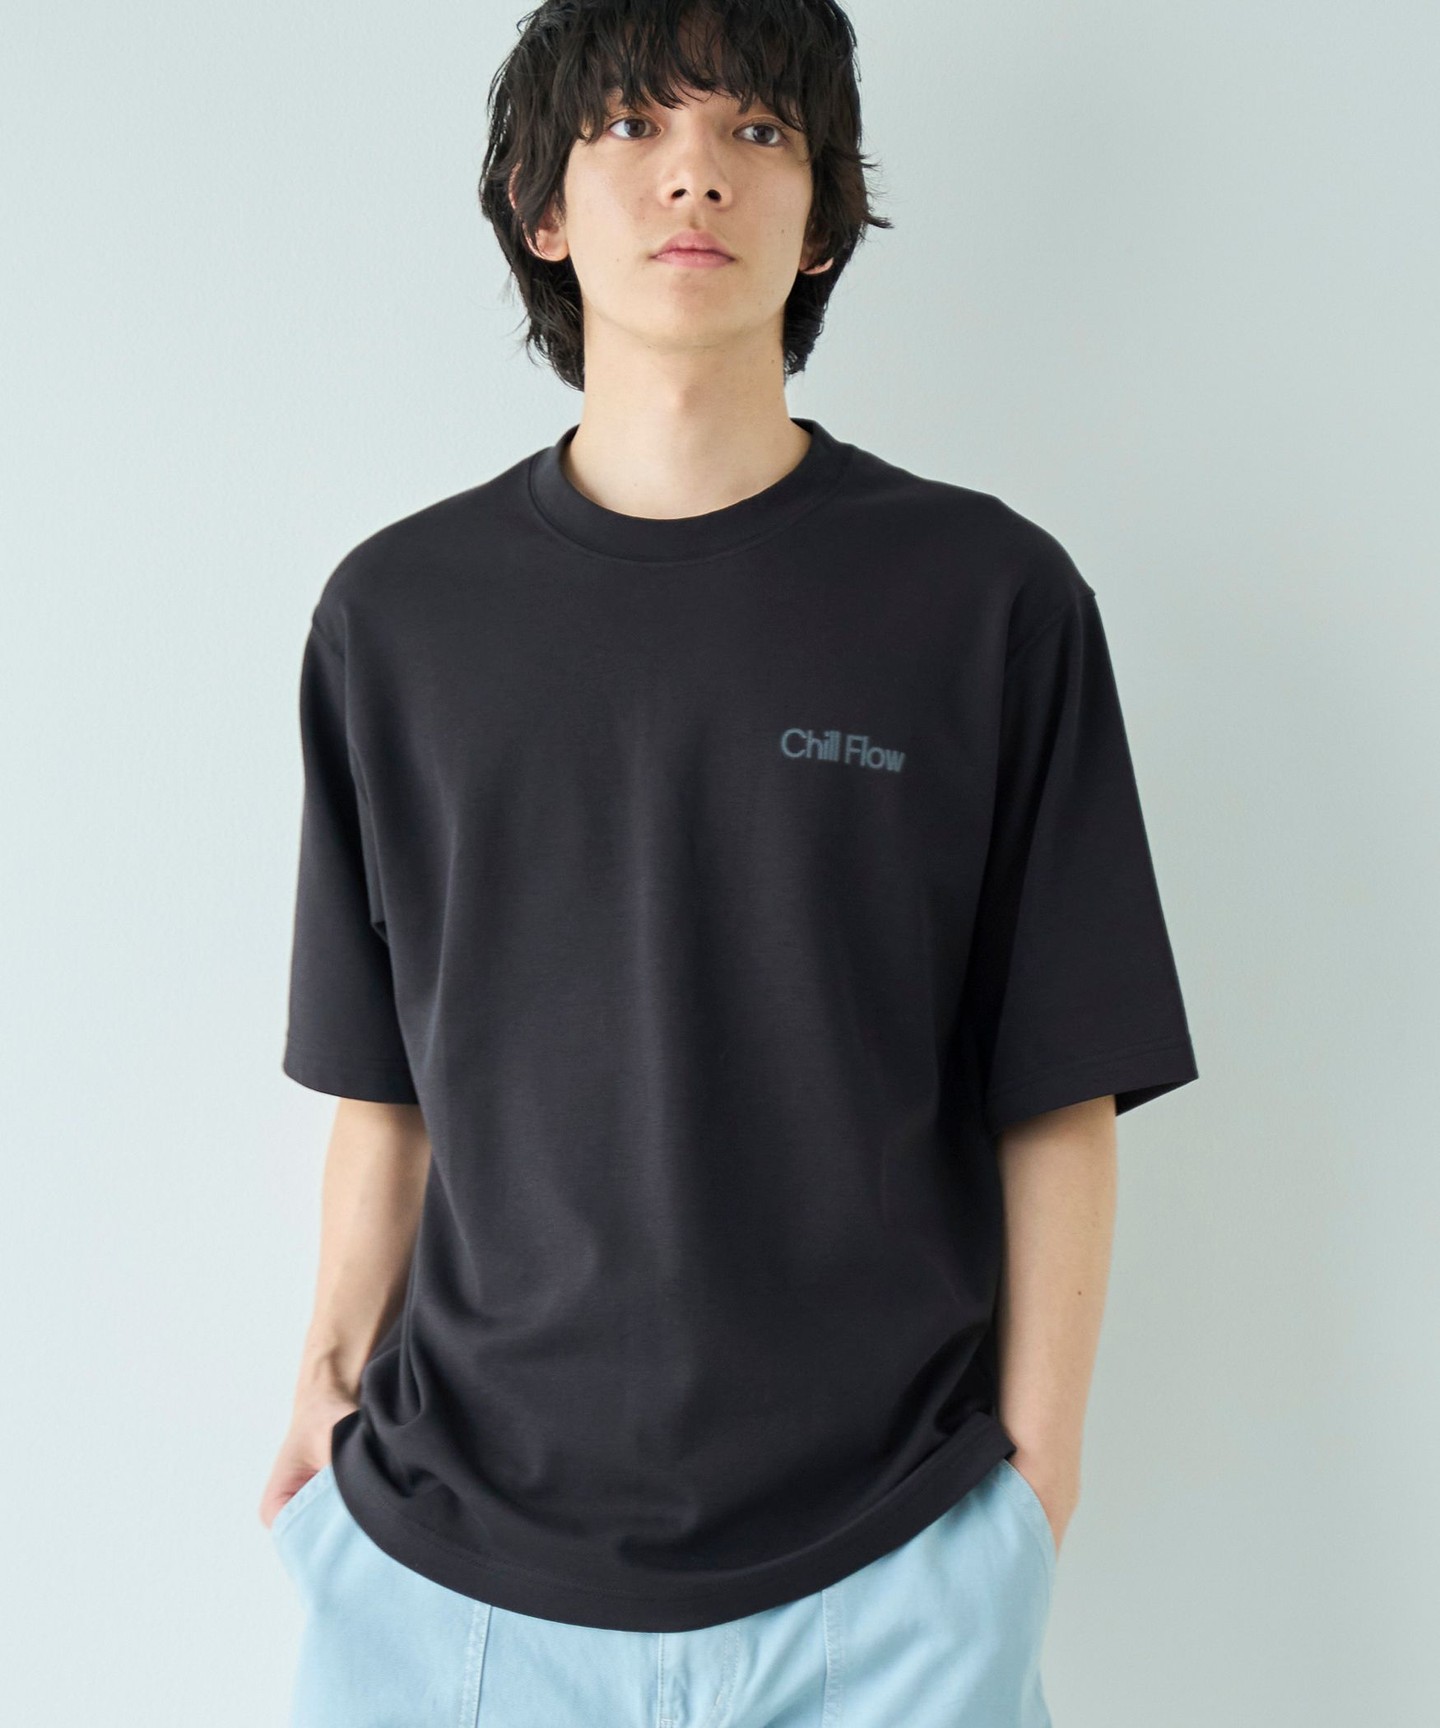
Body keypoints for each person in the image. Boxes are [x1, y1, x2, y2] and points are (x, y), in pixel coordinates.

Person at [260, 2, 1199, 1723]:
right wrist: (320, 1383)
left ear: (823, 214)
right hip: (448, 1586)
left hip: (888, 1578)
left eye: (758, 130)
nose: (694, 172)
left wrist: (1031, 1489)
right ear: (542, 206)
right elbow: (382, 1080)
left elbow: (1061, 1083)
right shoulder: (397, 619)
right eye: (632, 124)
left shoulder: (985, 600)